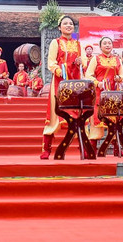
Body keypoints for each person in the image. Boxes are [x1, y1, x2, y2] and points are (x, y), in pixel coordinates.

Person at [40, 15, 83, 159]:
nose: (69, 26)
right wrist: (61, 71)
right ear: (59, 27)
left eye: (71, 23)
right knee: (54, 114)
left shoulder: (78, 44)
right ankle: (47, 148)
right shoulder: (55, 42)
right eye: (65, 23)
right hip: (59, 83)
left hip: (75, 83)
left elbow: (83, 62)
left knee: (78, 114)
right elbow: (51, 63)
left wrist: (79, 62)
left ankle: (83, 146)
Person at [85, 36, 123, 155]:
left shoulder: (117, 59)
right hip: (100, 93)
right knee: (97, 117)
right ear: (100, 46)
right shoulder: (96, 59)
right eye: (105, 43)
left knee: (114, 118)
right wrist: (97, 83)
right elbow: (88, 75)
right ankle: (92, 147)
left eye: (109, 43)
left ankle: (116, 147)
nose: (107, 45)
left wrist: (119, 78)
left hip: (114, 93)